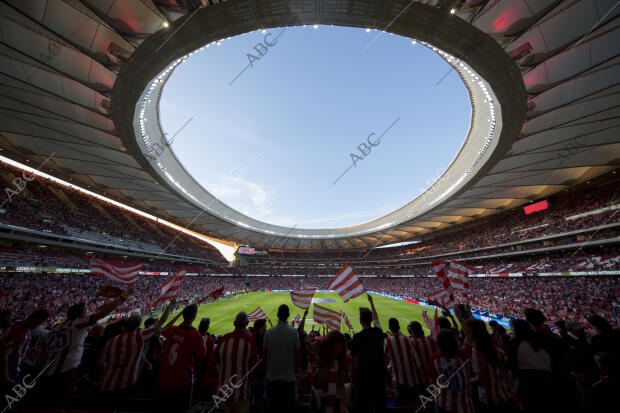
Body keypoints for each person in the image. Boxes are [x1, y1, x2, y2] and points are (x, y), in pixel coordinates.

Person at [41, 294, 129, 409]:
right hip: (66, 368)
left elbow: (44, 350)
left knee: (47, 401)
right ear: (81, 315)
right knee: (62, 402)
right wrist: (122, 297)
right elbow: (103, 313)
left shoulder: (55, 328)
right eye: (85, 312)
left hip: (48, 369)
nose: (87, 314)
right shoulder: (77, 324)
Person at [98, 300, 174, 408]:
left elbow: (100, 364)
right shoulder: (139, 337)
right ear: (138, 325)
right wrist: (170, 305)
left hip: (105, 385)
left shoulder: (111, 341)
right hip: (127, 386)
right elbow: (160, 322)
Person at [158, 303, 207, 412]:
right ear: (194, 317)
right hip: (183, 380)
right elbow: (202, 355)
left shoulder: (172, 330)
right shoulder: (195, 335)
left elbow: (163, 329)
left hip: (165, 378)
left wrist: (178, 315)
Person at [214, 312, 258, 413]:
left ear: (234, 323)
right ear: (247, 323)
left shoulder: (224, 339)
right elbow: (254, 368)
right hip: (241, 394)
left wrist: (221, 375)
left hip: (223, 391)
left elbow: (212, 362)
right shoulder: (250, 340)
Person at [466, 319, 513, 412]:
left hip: (489, 400)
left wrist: (464, 381)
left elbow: (481, 379)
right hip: (504, 395)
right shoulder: (495, 348)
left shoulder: (476, 352)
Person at [507, 319, 553, 413]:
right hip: (547, 377)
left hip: (527, 380)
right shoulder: (540, 339)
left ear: (516, 330)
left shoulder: (515, 342)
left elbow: (511, 365)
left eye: (512, 328)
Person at [350, 294, 385, 413]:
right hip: (378, 377)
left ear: (360, 320)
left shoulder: (357, 337)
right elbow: (376, 320)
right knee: (379, 405)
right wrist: (371, 303)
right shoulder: (379, 333)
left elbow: (354, 361)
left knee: (363, 406)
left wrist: (353, 379)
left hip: (363, 378)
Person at [0, 309, 50, 390]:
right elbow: (4, 354)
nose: (37, 326)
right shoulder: (21, 332)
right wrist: (7, 377)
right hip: (10, 372)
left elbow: (14, 349)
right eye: (38, 323)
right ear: (35, 319)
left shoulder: (17, 324)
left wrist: (28, 350)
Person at [263, 304, 300, 413]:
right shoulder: (294, 332)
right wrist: (296, 372)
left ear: (277, 315)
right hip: (288, 378)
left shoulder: (269, 332)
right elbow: (298, 355)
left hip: (272, 378)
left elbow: (264, 356)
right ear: (288, 315)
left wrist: (267, 372)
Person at [428, 329, 474, 413]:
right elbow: (470, 336)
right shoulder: (464, 355)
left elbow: (432, 383)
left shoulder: (434, 359)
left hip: (443, 404)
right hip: (465, 405)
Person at [384, 318, 421, 405]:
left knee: (401, 405)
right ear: (399, 326)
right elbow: (418, 362)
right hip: (413, 381)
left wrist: (389, 368)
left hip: (398, 381)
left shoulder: (387, 341)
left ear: (389, 327)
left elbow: (382, 360)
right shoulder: (407, 339)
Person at [311, 330, 347, 413]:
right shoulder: (320, 355)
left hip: (333, 397)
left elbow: (341, 382)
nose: (340, 350)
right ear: (330, 346)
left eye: (342, 347)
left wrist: (342, 404)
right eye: (338, 347)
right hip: (317, 395)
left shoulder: (340, 360)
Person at [407, 321, 436, 389]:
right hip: (433, 377)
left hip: (419, 378)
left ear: (412, 331)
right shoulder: (430, 341)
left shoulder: (411, 342)